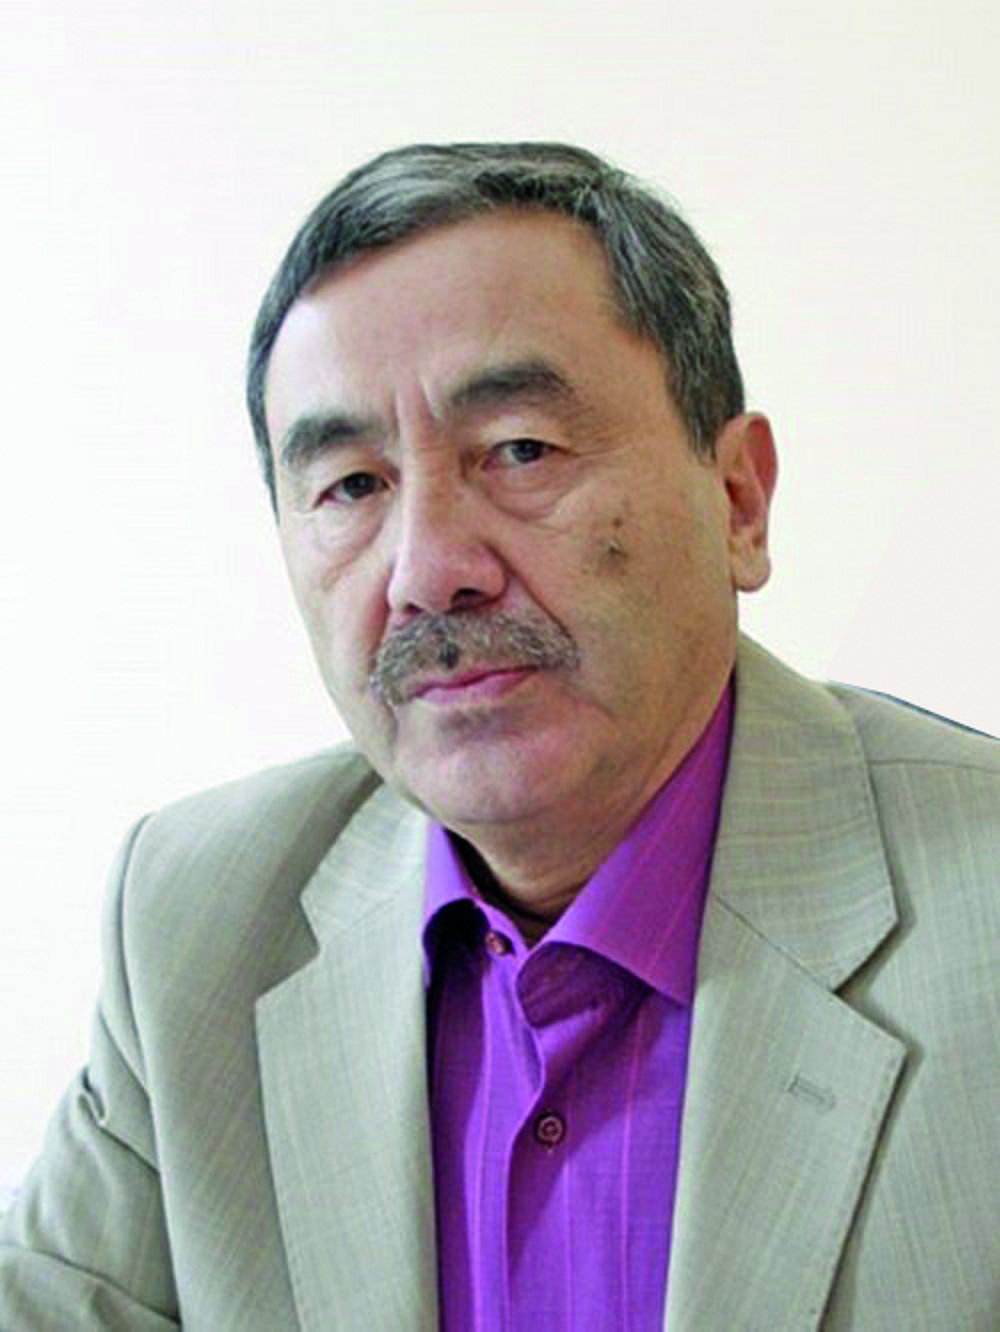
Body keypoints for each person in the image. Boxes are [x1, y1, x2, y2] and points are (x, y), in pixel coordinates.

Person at [1, 143, 997, 1332]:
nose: (427, 571)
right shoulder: (197, 922)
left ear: (737, 499)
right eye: (350, 486)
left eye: (520, 450)